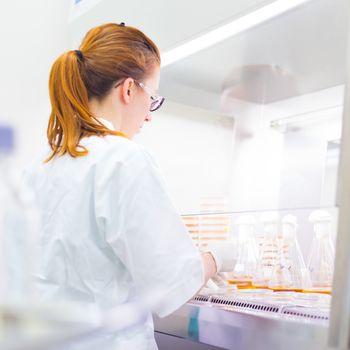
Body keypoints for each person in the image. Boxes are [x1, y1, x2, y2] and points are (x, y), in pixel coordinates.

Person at [24, 22, 235, 349]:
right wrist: (219, 257)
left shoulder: (42, 164)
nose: (149, 115)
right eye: (152, 97)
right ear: (128, 89)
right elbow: (172, 283)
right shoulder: (124, 159)